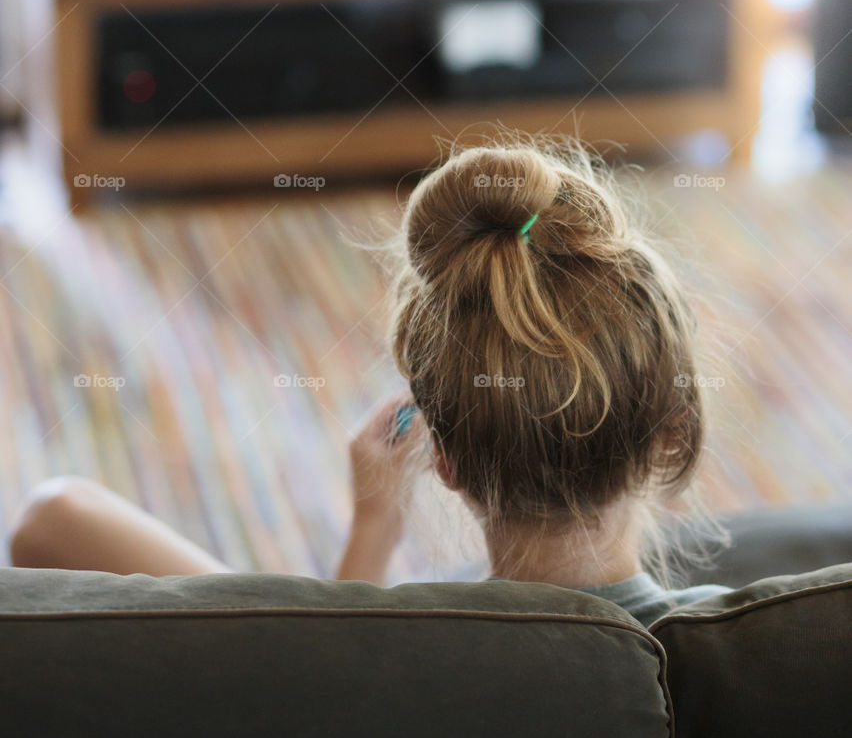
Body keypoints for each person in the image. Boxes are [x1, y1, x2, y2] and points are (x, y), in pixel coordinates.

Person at [8, 140, 729, 626]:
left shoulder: (380, 663)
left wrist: (373, 530)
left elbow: (53, 521)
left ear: (442, 459)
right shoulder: (754, 642)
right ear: (675, 431)